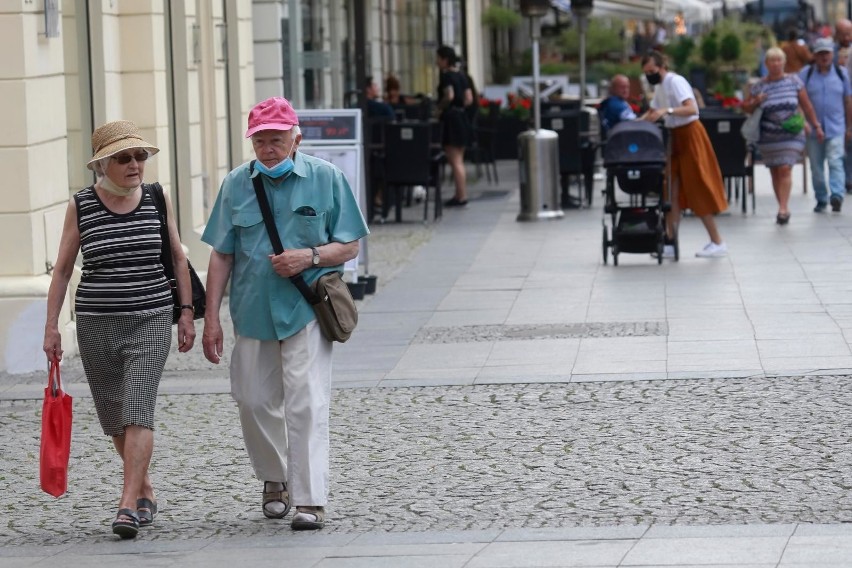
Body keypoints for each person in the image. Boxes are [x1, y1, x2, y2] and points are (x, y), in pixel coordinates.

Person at [201, 97, 369, 531]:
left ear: (297, 139)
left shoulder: (326, 178)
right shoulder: (236, 184)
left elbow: (349, 244)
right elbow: (221, 255)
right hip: (252, 310)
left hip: (306, 309)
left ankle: (309, 499)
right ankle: (275, 478)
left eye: (276, 140)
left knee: (306, 402)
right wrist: (212, 317)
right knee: (253, 399)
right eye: (260, 141)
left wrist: (309, 257)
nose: (268, 149)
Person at [42, 120, 196, 539]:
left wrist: (185, 312)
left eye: (140, 156)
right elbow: (62, 270)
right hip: (95, 322)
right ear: (103, 165)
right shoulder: (82, 205)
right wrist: (52, 327)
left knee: (137, 408)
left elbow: (178, 258)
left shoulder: (156, 197)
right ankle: (144, 488)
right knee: (113, 417)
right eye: (124, 158)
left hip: (150, 317)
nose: (135, 165)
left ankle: (127, 503)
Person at [639, 50, 728, 258]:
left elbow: (691, 108)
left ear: (662, 67)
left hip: (690, 135)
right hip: (675, 138)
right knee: (671, 190)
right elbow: (653, 112)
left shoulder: (675, 82)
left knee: (697, 185)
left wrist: (668, 111)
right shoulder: (660, 86)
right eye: (646, 72)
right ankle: (670, 240)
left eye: (652, 71)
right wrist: (635, 123)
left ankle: (717, 240)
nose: (649, 75)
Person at [743, 47, 821, 225]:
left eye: (779, 60)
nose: (776, 64)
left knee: (785, 167)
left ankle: (783, 208)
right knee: (775, 171)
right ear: (766, 64)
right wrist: (756, 101)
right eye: (772, 61)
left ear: (784, 63)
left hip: (791, 133)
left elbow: (806, 105)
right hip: (769, 135)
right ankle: (782, 205)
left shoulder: (794, 81)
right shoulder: (759, 86)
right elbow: (746, 107)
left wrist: (815, 124)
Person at [799, 38, 852, 213]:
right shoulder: (805, 74)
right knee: (816, 166)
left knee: (836, 161)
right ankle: (821, 197)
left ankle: (837, 195)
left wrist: (849, 126)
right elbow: (798, 101)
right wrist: (804, 122)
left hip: (837, 127)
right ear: (814, 55)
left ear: (832, 54)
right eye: (820, 53)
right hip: (813, 130)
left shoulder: (841, 73)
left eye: (827, 53)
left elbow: (848, 101)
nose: (824, 57)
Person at [436, 45, 474, 207]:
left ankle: (461, 195)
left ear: (445, 59)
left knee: (455, 160)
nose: (437, 62)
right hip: (462, 118)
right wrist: (461, 107)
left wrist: (440, 107)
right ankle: (460, 193)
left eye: (438, 59)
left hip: (451, 119)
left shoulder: (446, 76)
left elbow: (449, 95)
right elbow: (469, 99)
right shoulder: (462, 75)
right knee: (460, 158)